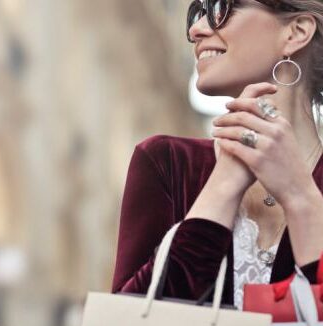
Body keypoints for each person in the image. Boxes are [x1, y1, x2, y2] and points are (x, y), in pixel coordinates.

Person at [112, 0, 323, 310]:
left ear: (296, 32)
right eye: (196, 13)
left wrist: (301, 198)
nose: (196, 30)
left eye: (221, 7)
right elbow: (127, 325)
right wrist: (225, 182)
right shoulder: (166, 162)